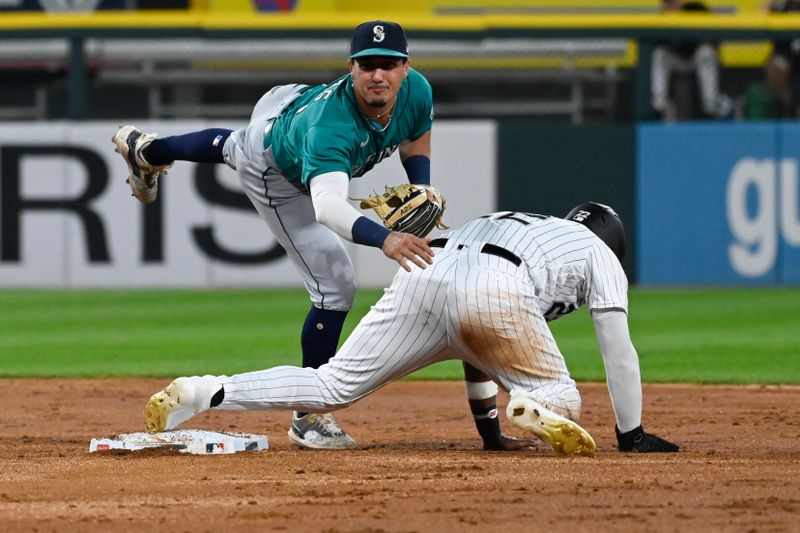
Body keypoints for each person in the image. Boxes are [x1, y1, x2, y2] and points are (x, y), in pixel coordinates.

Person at [113, 20, 439, 450]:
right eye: (368, 65)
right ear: (351, 68)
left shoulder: (417, 90)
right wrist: (386, 239)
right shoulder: (332, 128)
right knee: (335, 283)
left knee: (234, 144)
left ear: (405, 67)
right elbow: (326, 207)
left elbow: (416, 139)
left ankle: (146, 150)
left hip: (285, 105)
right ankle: (309, 418)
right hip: (276, 170)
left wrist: (420, 186)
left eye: (389, 64)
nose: (379, 74)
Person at [144, 203, 679, 455]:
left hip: (426, 267)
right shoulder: (596, 253)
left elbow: (479, 347)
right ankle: (538, 403)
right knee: (564, 400)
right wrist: (630, 435)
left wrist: (488, 433)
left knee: (333, 386)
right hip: (497, 285)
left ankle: (205, 390)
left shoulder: (528, 224)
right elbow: (618, 347)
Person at [651, 0, 733, 120]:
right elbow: (656, 44)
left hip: (697, 58)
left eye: (673, 2)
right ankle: (658, 105)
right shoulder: (662, 16)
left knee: (706, 53)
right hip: (677, 61)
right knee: (660, 55)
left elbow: (715, 37)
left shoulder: (697, 8)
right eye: (667, 3)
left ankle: (711, 106)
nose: (670, 5)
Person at [764, 0, 800, 118]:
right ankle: (790, 110)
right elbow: (758, 18)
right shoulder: (781, 7)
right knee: (776, 66)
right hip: (786, 55)